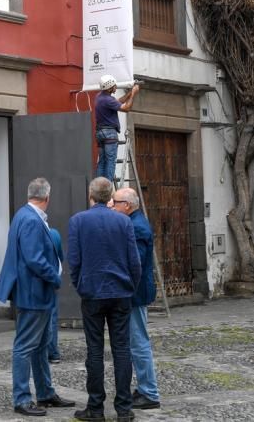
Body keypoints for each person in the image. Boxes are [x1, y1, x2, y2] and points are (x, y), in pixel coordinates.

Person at [0, 177, 75, 417]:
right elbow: (34, 258)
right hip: (34, 292)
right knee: (26, 346)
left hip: (35, 292)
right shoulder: (31, 219)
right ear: (47, 198)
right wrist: (55, 277)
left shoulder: (24, 215)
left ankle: (46, 393)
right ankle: (22, 398)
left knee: (40, 345)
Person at [67, 177, 141, 422]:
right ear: (110, 195)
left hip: (93, 292)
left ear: (90, 194)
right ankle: (124, 409)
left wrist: (80, 285)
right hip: (120, 292)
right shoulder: (123, 221)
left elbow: (74, 260)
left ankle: (96, 408)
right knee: (122, 350)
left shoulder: (78, 220)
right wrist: (131, 285)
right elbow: (134, 261)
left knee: (95, 351)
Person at [112, 188, 160, 410]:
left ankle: (149, 392)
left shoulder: (136, 227)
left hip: (135, 293)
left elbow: (136, 264)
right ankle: (144, 388)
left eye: (116, 202)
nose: (112, 205)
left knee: (139, 342)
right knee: (135, 342)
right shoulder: (133, 222)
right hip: (134, 292)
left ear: (127, 206)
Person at [95, 76, 140, 181]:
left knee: (102, 161)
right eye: (114, 85)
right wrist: (133, 94)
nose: (116, 87)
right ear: (109, 87)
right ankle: (108, 188)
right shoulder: (107, 100)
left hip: (100, 133)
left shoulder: (100, 97)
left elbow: (117, 102)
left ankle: (99, 186)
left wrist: (129, 93)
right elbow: (126, 108)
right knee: (110, 162)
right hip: (109, 133)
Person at [48, 227, 64, 364]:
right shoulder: (54, 233)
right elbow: (60, 257)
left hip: (33, 282)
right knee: (52, 317)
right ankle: (53, 352)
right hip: (52, 279)